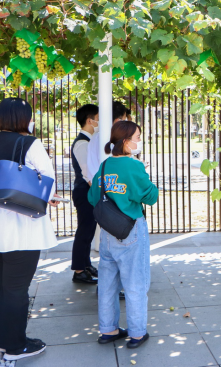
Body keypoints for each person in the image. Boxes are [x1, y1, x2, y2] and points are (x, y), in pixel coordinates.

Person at [0, 98, 60, 361]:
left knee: (2, 285)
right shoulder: (30, 143)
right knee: (17, 288)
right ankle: (14, 347)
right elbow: (49, 183)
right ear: (24, 118)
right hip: (20, 222)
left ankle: (1, 340)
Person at [88, 121, 158, 347]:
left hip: (108, 232)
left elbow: (92, 197)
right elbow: (150, 196)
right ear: (126, 141)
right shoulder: (134, 166)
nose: (140, 140)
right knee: (135, 281)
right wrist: (143, 171)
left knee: (108, 283)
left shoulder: (105, 165)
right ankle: (137, 333)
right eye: (138, 136)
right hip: (131, 230)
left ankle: (108, 330)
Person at [70, 104, 100, 284]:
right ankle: (79, 270)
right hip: (85, 191)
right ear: (90, 120)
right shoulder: (82, 143)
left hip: (89, 190)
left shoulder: (89, 141)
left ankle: (85, 264)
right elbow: (87, 172)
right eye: (98, 118)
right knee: (84, 230)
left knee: (88, 230)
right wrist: (97, 192)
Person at [85, 101, 129, 182]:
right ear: (117, 121)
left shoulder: (96, 136)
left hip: (97, 187)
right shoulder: (110, 138)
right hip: (111, 189)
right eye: (124, 119)